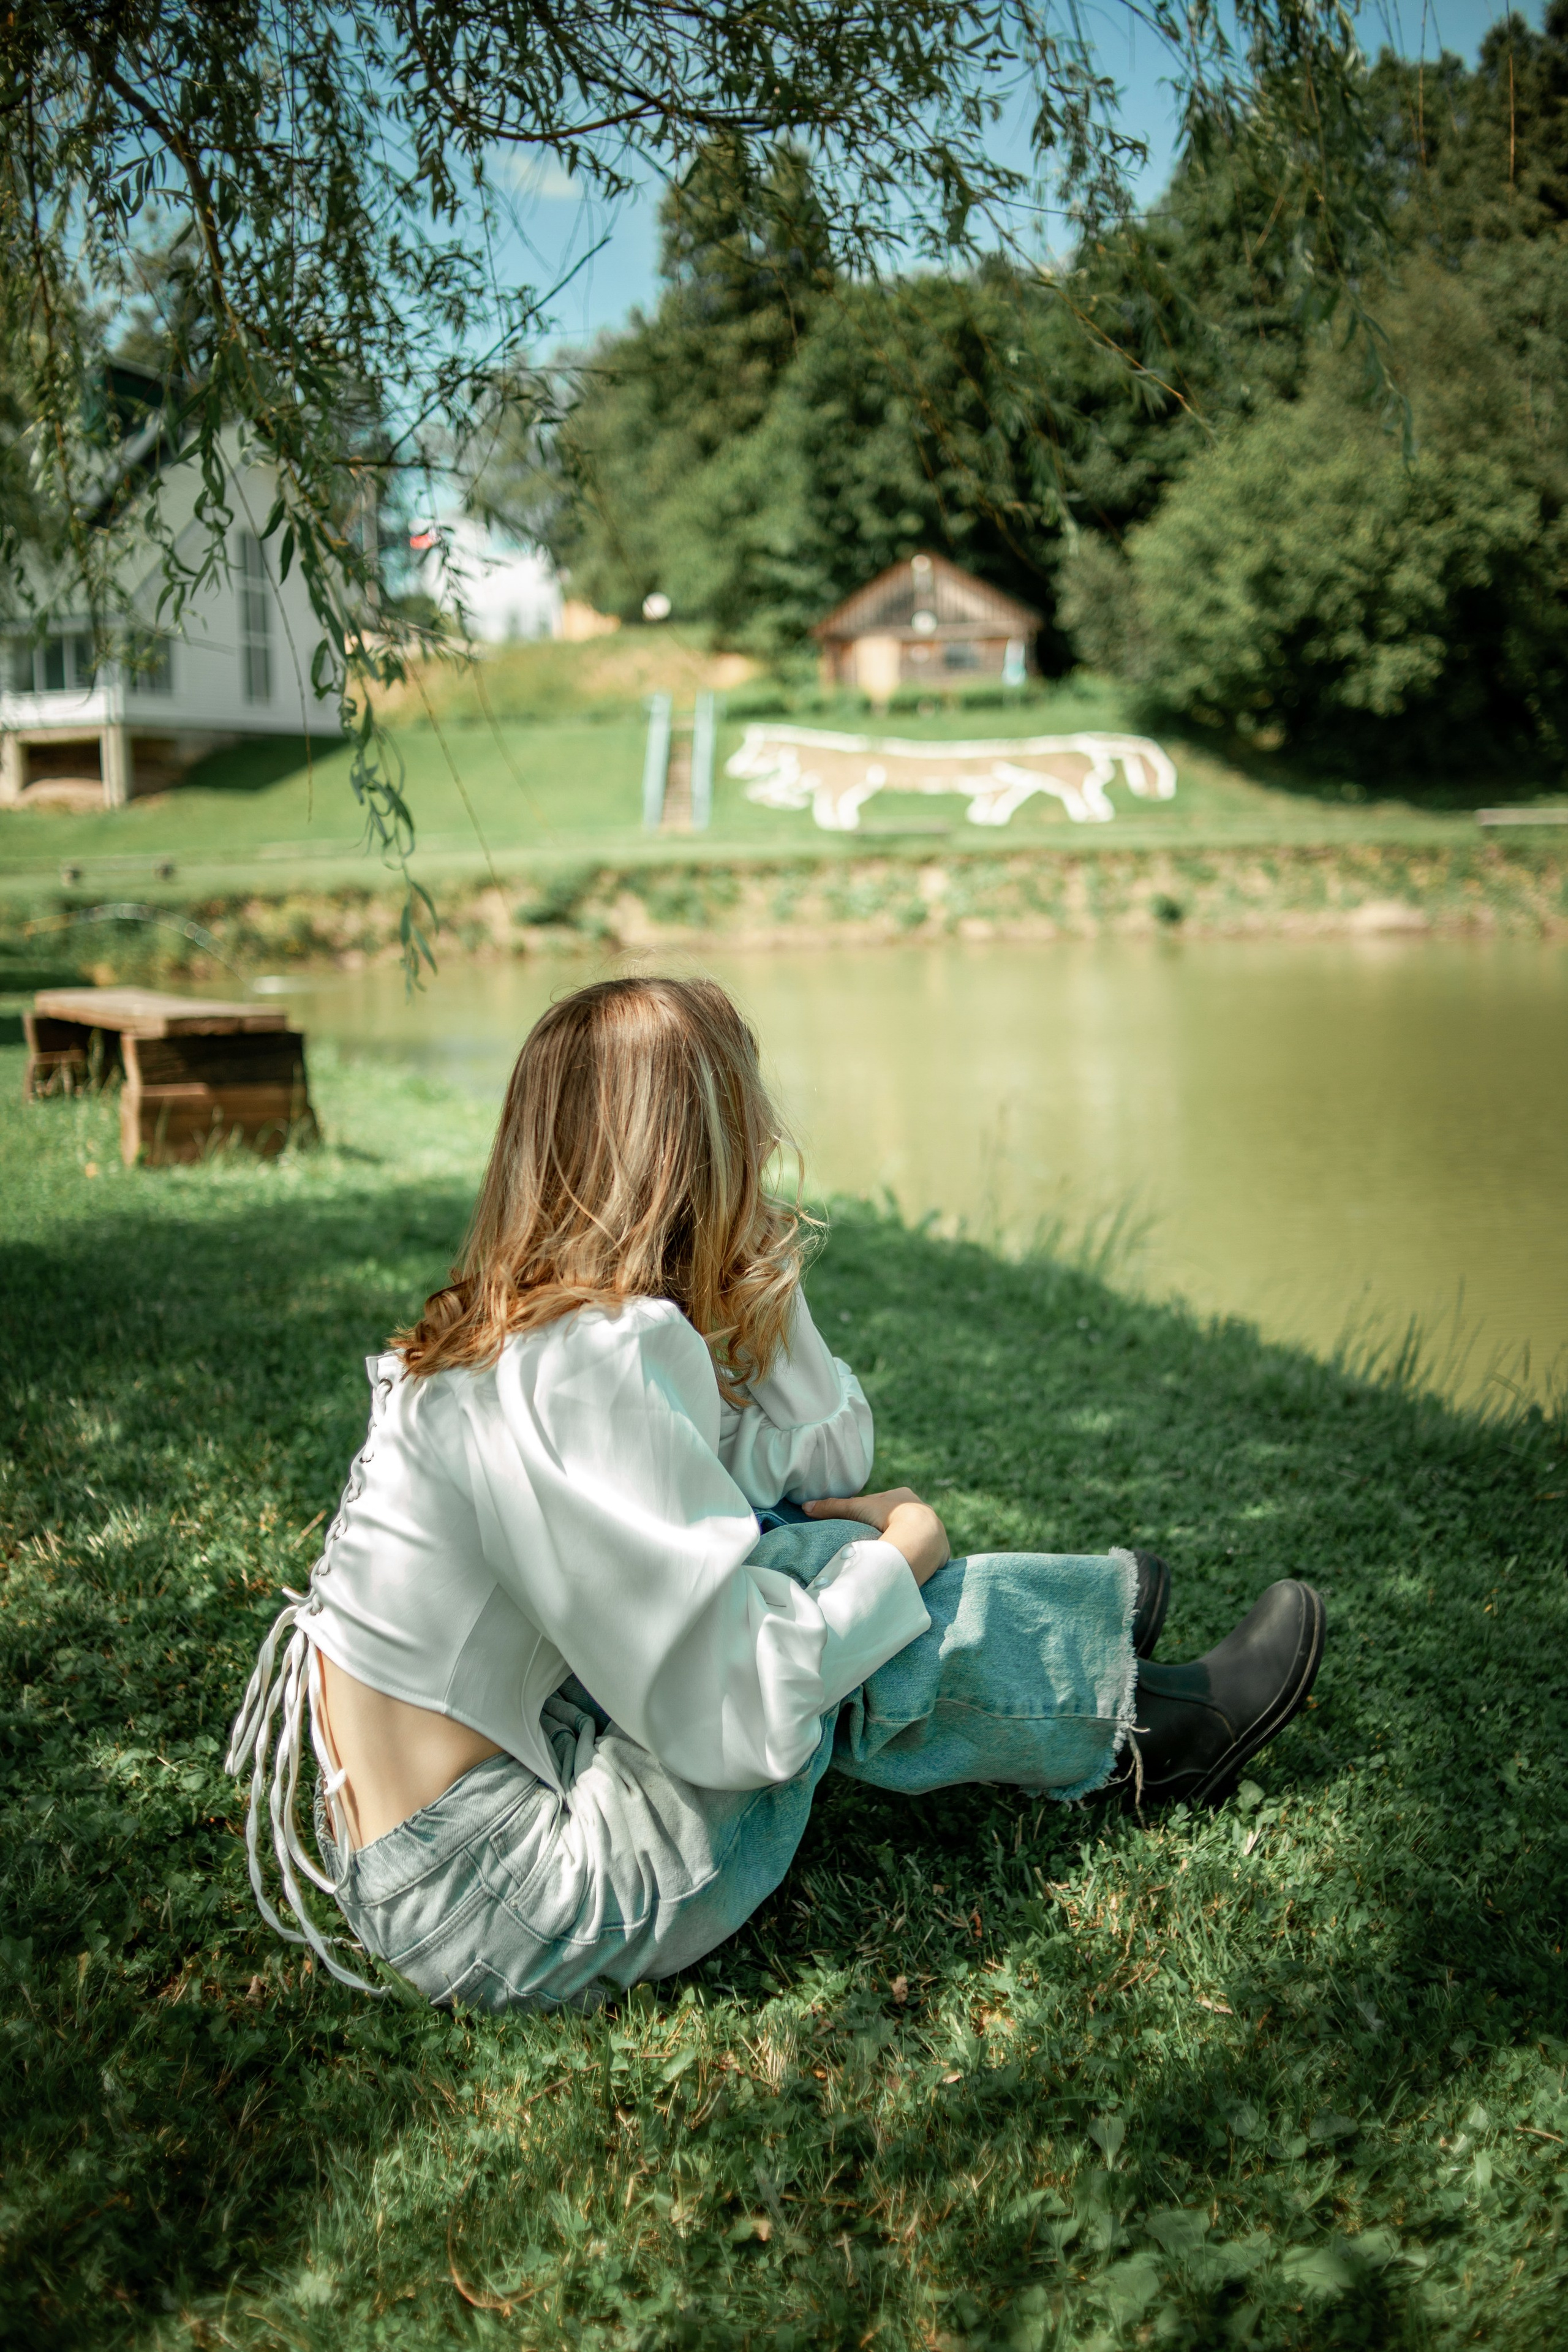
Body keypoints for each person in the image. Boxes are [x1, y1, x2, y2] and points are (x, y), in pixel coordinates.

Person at [228, 976, 1324, 2008]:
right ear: (689, 1154)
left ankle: (1096, 1661)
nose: (762, 1141)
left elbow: (808, 1471)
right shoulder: (589, 1361)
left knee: (778, 1545)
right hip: (510, 1902)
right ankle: (1140, 1720)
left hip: (413, 1864)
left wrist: (751, 1269)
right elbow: (738, 1712)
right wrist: (902, 1555)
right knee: (799, 1589)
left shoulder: (509, 1334)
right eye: (740, 1121)